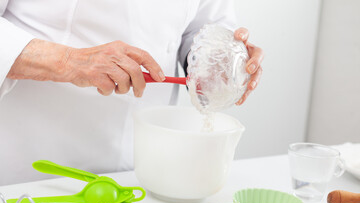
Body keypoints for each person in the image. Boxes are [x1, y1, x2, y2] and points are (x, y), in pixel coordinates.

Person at [0, 0, 263, 185]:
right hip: (31, 171)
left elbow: (201, 22)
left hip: (142, 175)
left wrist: (220, 60)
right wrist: (68, 60)